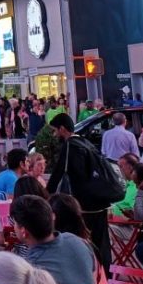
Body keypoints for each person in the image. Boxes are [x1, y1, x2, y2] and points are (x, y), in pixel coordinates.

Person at [45, 113, 114, 269]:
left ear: (62, 129)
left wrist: (47, 195)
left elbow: (58, 173)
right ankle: (105, 274)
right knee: (101, 241)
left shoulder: (70, 146)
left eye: (55, 130)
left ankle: (87, 271)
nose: (55, 135)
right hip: (100, 201)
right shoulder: (85, 142)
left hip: (85, 204)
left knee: (82, 241)